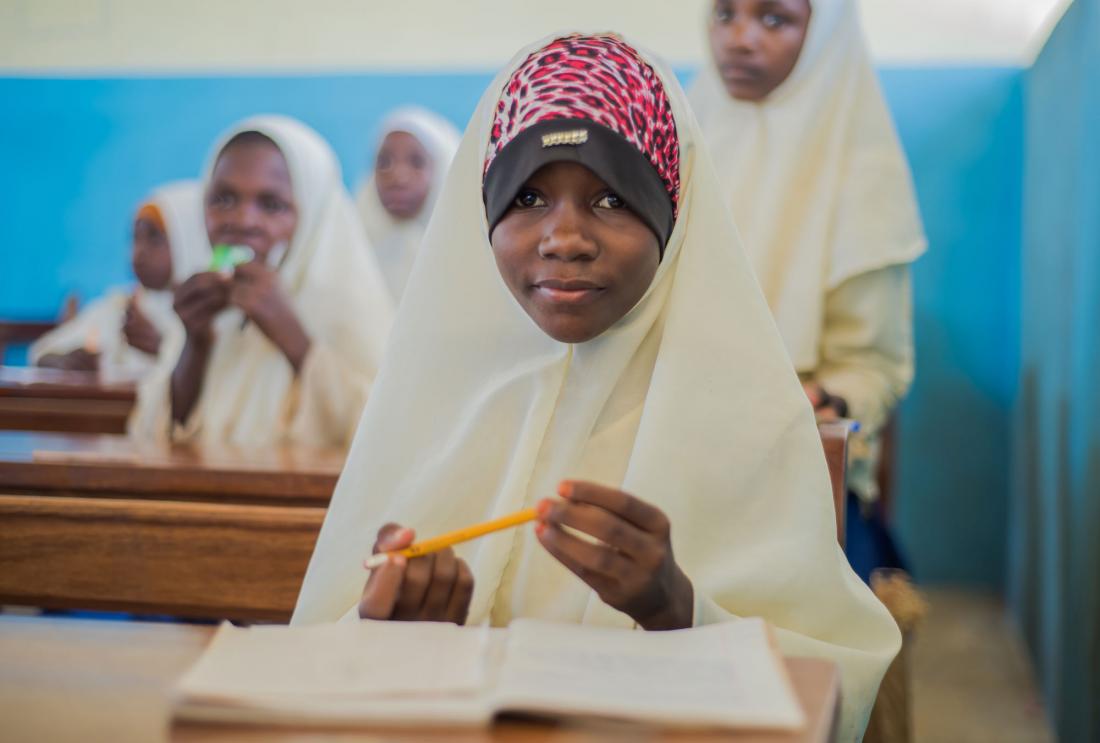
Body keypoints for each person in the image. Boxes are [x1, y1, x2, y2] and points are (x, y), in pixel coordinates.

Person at [293, 33, 899, 740]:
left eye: (611, 197)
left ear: (673, 213)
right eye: (527, 196)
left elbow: (835, 687)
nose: (565, 237)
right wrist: (385, 632)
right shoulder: (434, 415)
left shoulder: (750, 424)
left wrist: (681, 609)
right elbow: (317, 659)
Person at [689, 0, 927, 580]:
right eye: (725, 14)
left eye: (775, 20)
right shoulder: (682, 140)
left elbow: (874, 368)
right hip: (686, 447)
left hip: (803, 471)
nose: (740, 39)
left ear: (824, 36)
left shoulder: (864, 171)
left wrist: (829, 400)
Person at [128, 116, 393, 448]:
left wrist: (292, 337)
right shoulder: (213, 313)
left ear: (313, 215)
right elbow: (153, 435)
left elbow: (383, 437)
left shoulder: (348, 311)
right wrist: (195, 343)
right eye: (223, 200)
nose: (242, 221)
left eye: (271, 205)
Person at [32, 181, 209, 381]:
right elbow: (44, 354)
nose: (139, 252)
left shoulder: (206, 312)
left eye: (154, 238)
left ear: (189, 239)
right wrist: (65, 362)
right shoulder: (121, 306)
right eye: (135, 238)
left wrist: (161, 347)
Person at [355, 106, 460, 303]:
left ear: (443, 170)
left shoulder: (469, 257)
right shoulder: (351, 254)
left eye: (416, 162)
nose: (398, 177)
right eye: (384, 162)